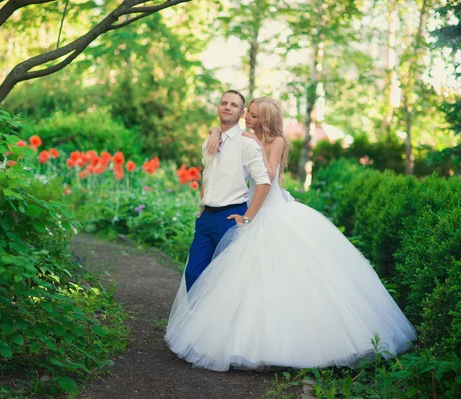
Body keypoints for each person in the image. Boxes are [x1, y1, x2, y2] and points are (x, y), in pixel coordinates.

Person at [165, 96, 417, 372]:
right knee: (240, 279)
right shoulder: (246, 137)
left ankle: (288, 344)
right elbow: (225, 143)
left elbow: (269, 174)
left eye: (253, 114)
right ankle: (231, 335)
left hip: (270, 210)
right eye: (247, 113)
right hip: (251, 204)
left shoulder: (276, 141)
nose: (247, 118)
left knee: (285, 276)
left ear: (265, 119)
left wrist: (256, 146)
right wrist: (217, 132)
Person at [183, 90, 271, 293]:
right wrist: (203, 205)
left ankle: (217, 325)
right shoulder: (208, 143)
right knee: (193, 273)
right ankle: (198, 322)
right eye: (224, 103)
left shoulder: (246, 143)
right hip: (206, 219)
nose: (227, 107)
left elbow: (264, 183)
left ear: (241, 113)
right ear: (218, 108)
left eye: (233, 105)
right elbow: (207, 176)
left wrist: (246, 219)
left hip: (230, 218)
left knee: (224, 280)